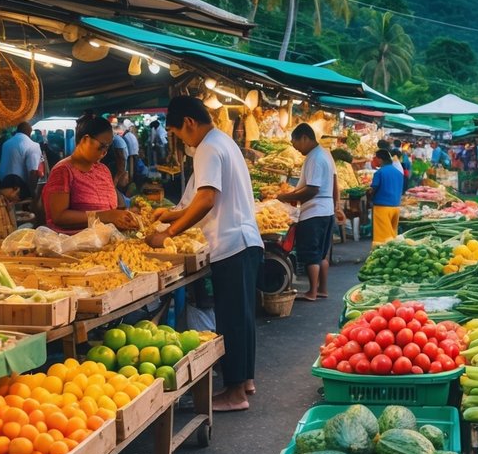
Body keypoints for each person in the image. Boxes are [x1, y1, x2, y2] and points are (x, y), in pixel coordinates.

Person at [145, 96, 263, 413]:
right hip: (245, 241)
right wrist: (170, 216)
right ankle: (245, 381)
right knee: (243, 316)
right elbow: (202, 199)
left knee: (232, 320)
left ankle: (235, 393)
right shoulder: (224, 142)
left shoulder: (208, 147)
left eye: (181, 135)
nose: (183, 142)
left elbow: (207, 199)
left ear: (189, 123)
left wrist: (168, 233)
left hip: (231, 243)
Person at [42, 113, 140, 233]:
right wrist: (106, 216)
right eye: (102, 146)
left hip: (106, 242)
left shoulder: (103, 170)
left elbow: (113, 202)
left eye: (108, 147)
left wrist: (123, 212)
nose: (104, 152)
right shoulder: (63, 171)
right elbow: (59, 216)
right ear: (85, 140)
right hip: (73, 245)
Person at [278, 123, 344, 302]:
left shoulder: (315, 158)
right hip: (326, 211)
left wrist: (285, 197)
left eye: (295, 143)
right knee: (322, 254)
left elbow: (312, 189)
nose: (296, 148)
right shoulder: (324, 154)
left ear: (305, 138)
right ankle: (322, 289)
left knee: (311, 254)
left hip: (314, 212)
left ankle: (312, 292)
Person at [370, 147, 405, 244]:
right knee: (392, 235)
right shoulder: (398, 173)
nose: (373, 160)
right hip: (396, 207)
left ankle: (380, 256)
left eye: (375, 158)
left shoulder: (379, 172)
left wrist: (369, 195)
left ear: (380, 159)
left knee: (382, 239)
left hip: (382, 207)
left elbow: (374, 188)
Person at [0, 122, 43, 192]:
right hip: (19, 189)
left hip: (3, 186)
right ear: (30, 132)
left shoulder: (6, 144)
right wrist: (32, 193)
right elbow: (33, 172)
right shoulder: (33, 146)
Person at [102, 123, 129, 189]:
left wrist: (116, 179)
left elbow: (122, 159)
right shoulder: (117, 139)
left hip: (119, 173)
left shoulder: (116, 141)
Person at [121, 118, 140, 183]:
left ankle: (131, 184)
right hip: (134, 155)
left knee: (131, 172)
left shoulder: (126, 135)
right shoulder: (131, 135)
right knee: (134, 172)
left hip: (131, 155)